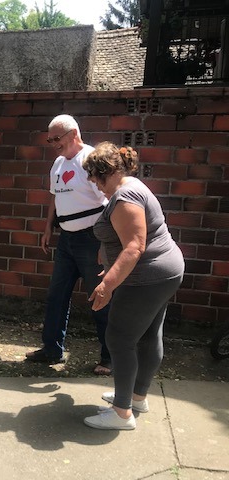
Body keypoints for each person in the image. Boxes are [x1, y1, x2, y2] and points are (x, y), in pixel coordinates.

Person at [82, 143, 184, 430]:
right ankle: (136, 398)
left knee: (119, 338)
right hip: (162, 272)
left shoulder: (125, 195)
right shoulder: (132, 186)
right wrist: (110, 263)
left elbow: (134, 247)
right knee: (149, 335)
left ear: (108, 171)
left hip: (146, 278)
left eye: (94, 175)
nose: (92, 182)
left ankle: (121, 413)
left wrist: (107, 285)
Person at [26, 114, 112, 374]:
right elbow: (55, 197)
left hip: (91, 238)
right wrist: (47, 227)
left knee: (100, 298)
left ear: (73, 133)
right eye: (49, 139)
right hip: (66, 238)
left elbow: (109, 202)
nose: (53, 143)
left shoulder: (90, 160)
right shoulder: (58, 164)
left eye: (57, 138)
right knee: (56, 295)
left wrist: (105, 242)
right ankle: (52, 348)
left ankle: (110, 356)